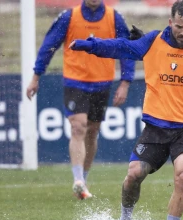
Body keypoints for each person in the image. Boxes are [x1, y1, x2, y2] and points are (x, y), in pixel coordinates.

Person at [69, 1, 183, 220]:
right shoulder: (153, 41)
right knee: (134, 174)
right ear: (170, 22)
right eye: (179, 26)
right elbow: (121, 47)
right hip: (156, 126)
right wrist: (90, 45)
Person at [25, 0, 136, 200]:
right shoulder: (69, 17)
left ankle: (83, 181)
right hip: (75, 82)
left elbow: (126, 49)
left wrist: (125, 82)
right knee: (78, 127)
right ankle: (78, 179)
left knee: (92, 132)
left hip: (102, 83)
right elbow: (49, 46)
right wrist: (35, 77)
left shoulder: (114, 17)